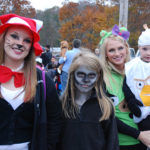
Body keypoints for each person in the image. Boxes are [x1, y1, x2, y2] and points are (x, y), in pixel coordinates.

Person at [0, 14, 62, 150]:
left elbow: (55, 119)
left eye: (27, 40)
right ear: (3, 37)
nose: (20, 43)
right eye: (14, 36)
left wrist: (48, 146)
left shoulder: (42, 80)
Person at [99, 24, 150, 150]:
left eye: (120, 48)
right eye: (111, 50)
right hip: (121, 143)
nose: (117, 53)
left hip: (145, 140)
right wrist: (138, 135)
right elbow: (105, 116)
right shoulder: (102, 77)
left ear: (126, 49)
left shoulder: (139, 71)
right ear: (105, 54)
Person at [57, 52, 119, 150]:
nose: (86, 80)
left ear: (98, 77)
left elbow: (112, 143)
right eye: (81, 75)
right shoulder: (61, 104)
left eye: (91, 76)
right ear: (72, 75)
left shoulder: (105, 106)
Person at [123, 24, 150, 149]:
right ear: (139, 48)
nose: (148, 53)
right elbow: (126, 85)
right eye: (145, 49)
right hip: (140, 111)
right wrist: (131, 100)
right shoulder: (131, 66)